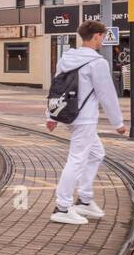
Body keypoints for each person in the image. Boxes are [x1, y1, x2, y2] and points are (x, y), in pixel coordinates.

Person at [46, 20, 128, 225]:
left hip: (70, 115)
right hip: (85, 119)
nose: (103, 40)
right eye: (103, 36)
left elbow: (56, 88)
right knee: (77, 159)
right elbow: (107, 94)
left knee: (97, 153)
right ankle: (62, 207)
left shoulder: (67, 58)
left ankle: (84, 199)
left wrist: (50, 115)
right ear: (97, 36)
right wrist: (118, 123)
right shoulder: (97, 62)